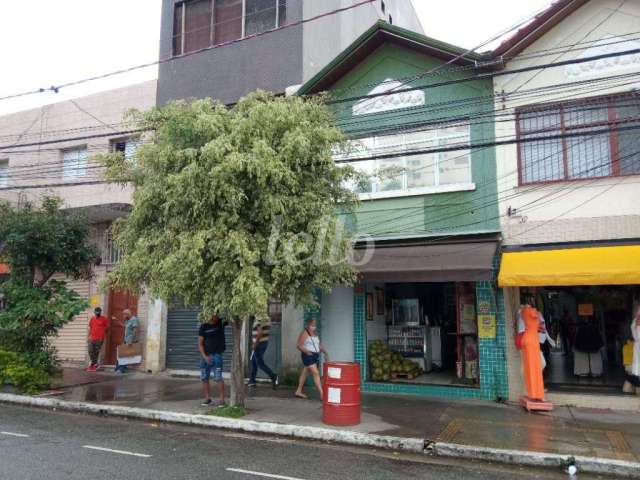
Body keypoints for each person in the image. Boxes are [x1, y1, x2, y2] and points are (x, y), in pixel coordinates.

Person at [295, 318, 328, 400]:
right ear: (309, 324)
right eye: (313, 324)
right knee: (316, 373)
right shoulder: (304, 333)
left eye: (315, 324)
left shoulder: (315, 333)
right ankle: (322, 393)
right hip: (308, 356)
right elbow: (299, 345)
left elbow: (318, 345)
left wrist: (325, 352)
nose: (314, 326)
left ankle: (298, 391)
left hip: (314, 356)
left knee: (305, 372)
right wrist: (306, 352)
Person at [198, 314, 227, 407]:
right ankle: (207, 399)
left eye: (217, 315)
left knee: (218, 377)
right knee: (204, 377)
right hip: (205, 356)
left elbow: (232, 319)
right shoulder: (204, 326)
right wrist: (205, 356)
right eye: (214, 316)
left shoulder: (220, 323)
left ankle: (222, 400)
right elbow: (200, 344)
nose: (216, 317)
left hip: (217, 355)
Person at [247, 319, 278, 389]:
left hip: (259, 344)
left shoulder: (259, 318)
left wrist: (255, 344)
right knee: (254, 362)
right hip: (264, 342)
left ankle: (273, 376)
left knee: (259, 363)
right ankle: (252, 381)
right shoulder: (267, 319)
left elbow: (260, 332)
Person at [115, 309, 140, 374]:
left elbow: (135, 330)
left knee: (123, 355)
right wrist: (116, 320)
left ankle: (120, 369)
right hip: (126, 340)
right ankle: (118, 368)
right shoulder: (128, 320)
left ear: (128, 314)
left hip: (130, 340)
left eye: (124, 315)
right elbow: (124, 326)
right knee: (122, 354)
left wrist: (131, 340)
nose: (123, 316)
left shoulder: (134, 319)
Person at [87, 307, 109, 372]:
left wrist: (103, 334)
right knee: (90, 350)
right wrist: (88, 336)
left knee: (96, 352)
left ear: (100, 312)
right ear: (94, 312)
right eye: (96, 311)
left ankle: (93, 365)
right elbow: (90, 328)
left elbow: (107, 328)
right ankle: (95, 363)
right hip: (92, 338)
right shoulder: (92, 319)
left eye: (99, 311)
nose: (97, 313)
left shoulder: (104, 319)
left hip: (99, 338)